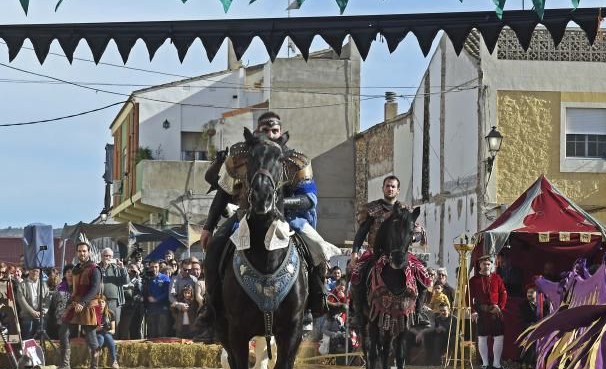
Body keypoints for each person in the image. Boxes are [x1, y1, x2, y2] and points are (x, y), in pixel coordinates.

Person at [196, 111, 330, 335]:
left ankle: (314, 301)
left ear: (280, 133)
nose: (270, 134)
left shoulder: (296, 160)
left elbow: (309, 199)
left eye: (274, 131)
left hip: (288, 219)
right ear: (257, 131)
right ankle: (212, 306)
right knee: (216, 246)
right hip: (246, 216)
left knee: (317, 248)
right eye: (265, 130)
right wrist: (209, 227)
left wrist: (277, 203)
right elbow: (223, 193)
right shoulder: (239, 156)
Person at [349, 175, 425, 329]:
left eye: (393, 186)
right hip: (375, 252)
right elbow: (362, 232)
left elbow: (417, 231)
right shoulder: (372, 209)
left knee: (423, 274)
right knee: (357, 275)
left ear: (398, 190)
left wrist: (412, 238)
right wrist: (355, 253)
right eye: (387, 186)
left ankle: (419, 312)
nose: (390, 189)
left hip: (400, 252)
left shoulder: (405, 210)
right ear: (383, 188)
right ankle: (357, 314)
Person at [55, 242, 103, 369]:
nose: (82, 253)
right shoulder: (76, 269)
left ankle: (94, 368)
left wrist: (83, 302)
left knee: (90, 337)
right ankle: (65, 366)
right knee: (63, 331)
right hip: (75, 303)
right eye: (80, 251)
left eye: (84, 251)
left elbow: (94, 289)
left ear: (89, 252)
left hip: (89, 305)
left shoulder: (95, 269)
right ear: (76, 253)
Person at [469, 254, 508, 369]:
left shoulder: (497, 278)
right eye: (484, 264)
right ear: (479, 265)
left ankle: (496, 364)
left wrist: (500, 307)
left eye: (488, 264)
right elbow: (468, 297)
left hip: (495, 311)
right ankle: (485, 364)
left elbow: (504, 293)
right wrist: (473, 311)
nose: (486, 266)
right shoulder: (473, 280)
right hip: (481, 311)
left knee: (499, 336)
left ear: (491, 265)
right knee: (482, 337)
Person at [99, 248, 128, 342]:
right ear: (101, 256)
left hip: (113, 301)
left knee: (114, 325)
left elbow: (126, 281)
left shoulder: (116, 267)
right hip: (100, 300)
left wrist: (123, 269)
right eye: (105, 255)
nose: (107, 258)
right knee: (100, 323)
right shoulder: (97, 267)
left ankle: (113, 345)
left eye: (109, 256)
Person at [15, 267, 46, 340]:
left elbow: (47, 299)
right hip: (27, 316)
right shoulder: (22, 284)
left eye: (36, 271)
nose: (34, 273)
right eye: (32, 271)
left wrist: (43, 311)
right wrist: (32, 312)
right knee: (27, 338)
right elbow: (21, 300)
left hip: (40, 315)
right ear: (29, 271)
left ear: (39, 272)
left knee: (40, 339)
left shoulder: (44, 284)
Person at [142, 260, 171, 339]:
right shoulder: (147, 278)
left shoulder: (165, 278)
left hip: (162, 308)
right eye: (152, 267)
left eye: (156, 267)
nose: (154, 269)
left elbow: (167, 292)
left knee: (161, 332)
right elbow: (144, 291)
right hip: (151, 308)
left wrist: (156, 299)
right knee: (151, 332)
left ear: (159, 267)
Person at [95, 301, 119, 369]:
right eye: (99, 302)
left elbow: (113, 330)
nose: (101, 304)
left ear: (105, 303)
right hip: (97, 334)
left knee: (107, 337)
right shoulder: (93, 313)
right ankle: (95, 361)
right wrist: (97, 329)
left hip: (107, 333)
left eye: (102, 302)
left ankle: (113, 361)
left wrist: (107, 331)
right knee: (100, 338)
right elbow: (87, 331)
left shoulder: (110, 313)